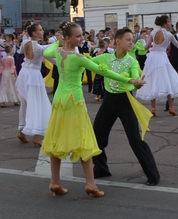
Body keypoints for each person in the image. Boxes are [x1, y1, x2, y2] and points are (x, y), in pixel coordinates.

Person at [42, 21, 144, 199]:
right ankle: (90, 184)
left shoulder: (58, 52)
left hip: (59, 101)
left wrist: (58, 43)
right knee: (84, 140)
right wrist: (130, 81)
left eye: (82, 34)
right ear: (68, 38)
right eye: (78, 36)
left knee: (57, 139)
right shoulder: (79, 58)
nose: (82, 38)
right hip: (74, 102)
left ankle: (55, 182)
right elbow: (105, 72)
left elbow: (45, 52)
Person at [92, 28, 159, 186]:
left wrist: (137, 81)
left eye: (132, 40)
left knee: (135, 140)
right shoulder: (105, 58)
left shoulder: (132, 61)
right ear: (117, 41)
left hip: (125, 102)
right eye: (128, 39)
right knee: (97, 137)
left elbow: (136, 75)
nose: (131, 43)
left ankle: (153, 175)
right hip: (108, 101)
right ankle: (101, 168)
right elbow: (87, 63)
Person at [135, 15, 178, 116]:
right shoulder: (169, 35)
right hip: (162, 58)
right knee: (168, 80)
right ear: (164, 23)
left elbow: (146, 47)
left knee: (152, 81)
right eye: (168, 21)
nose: (169, 22)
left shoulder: (153, 32)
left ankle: (153, 108)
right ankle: (171, 107)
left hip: (152, 58)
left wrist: (143, 43)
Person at [17, 23, 52, 146]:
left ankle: (21, 130)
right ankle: (36, 136)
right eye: (40, 30)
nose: (43, 32)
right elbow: (49, 54)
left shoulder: (25, 43)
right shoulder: (38, 47)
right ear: (34, 33)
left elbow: (21, 50)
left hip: (24, 73)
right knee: (37, 104)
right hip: (33, 75)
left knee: (25, 103)